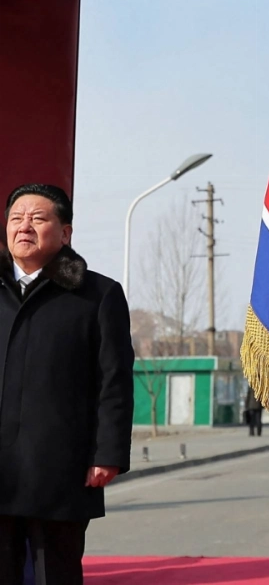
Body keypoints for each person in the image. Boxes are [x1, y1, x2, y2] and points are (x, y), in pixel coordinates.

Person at [0, 184, 134, 585]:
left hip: (60, 468)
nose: (24, 226)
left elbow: (114, 380)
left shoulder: (97, 295)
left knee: (54, 573)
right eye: (16, 218)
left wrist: (107, 453)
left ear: (65, 233)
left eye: (38, 218)